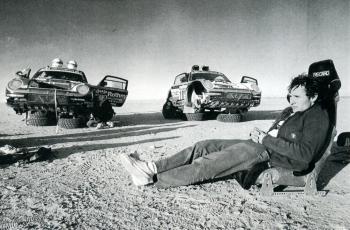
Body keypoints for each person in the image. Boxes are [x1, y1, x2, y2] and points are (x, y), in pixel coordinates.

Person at [121, 74, 330, 188]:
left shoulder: (317, 117)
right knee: (203, 146)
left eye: (297, 97)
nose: (291, 101)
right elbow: (281, 135)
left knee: (209, 163)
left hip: (273, 155)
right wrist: (262, 136)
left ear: (313, 98)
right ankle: (151, 167)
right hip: (263, 145)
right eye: (290, 96)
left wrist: (266, 139)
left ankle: (156, 180)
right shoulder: (292, 111)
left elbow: (304, 155)